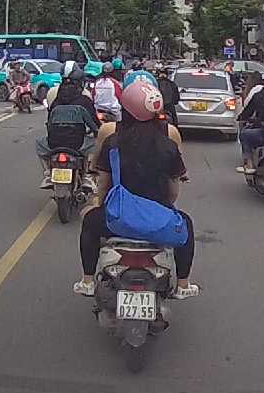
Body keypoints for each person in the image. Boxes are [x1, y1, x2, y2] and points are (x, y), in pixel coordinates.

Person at [76, 79, 198, 299]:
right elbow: (173, 192)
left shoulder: (113, 142)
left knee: (89, 222)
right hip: (159, 220)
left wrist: (98, 206)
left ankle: (87, 281)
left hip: (117, 220)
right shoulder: (169, 145)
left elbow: (103, 185)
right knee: (186, 224)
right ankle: (183, 284)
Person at [37, 70, 101, 189]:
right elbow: (94, 126)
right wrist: (98, 133)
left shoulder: (55, 102)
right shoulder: (84, 102)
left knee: (39, 143)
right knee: (96, 144)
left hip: (54, 143)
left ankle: (47, 173)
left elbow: (49, 125)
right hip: (77, 144)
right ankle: (87, 175)